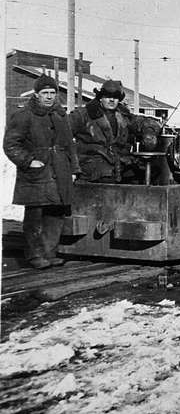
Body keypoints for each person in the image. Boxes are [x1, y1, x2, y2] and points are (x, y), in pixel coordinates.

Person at [4, 75, 80, 269]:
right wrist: (29, 161)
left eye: (52, 93)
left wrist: (73, 169)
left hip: (59, 171)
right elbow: (11, 144)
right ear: (36, 94)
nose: (49, 97)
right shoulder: (24, 115)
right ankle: (35, 255)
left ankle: (49, 253)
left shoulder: (60, 115)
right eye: (45, 93)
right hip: (36, 173)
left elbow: (69, 145)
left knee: (55, 214)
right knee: (35, 216)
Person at [70, 79, 161, 183]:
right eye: (108, 96)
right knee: (105, 174)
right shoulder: (83, 115)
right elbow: (62, 133)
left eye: (115, 97)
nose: (112, 100)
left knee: (151, 172)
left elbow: (142, 122)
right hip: (91, 166)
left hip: (119, 163)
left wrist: (149, 131)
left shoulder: (123, 115)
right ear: (100, 98)